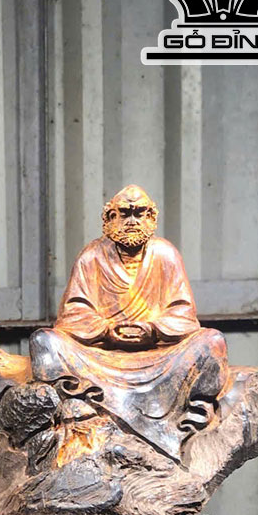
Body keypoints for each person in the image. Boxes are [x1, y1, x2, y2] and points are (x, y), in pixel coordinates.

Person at [30, 185, 229, 459]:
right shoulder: (91, 256)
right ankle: (82, 405)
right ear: (109, 218)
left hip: (158, 357)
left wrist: (154, 329)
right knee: (45, 341)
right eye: (124, 213)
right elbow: (74, 311)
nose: (132, 221)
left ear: (151, 218)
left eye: (139, 213)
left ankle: (193, 411)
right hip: (101, 357)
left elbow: (183, 312)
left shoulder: (165, 254)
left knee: (212, 341)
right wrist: (106, 330)